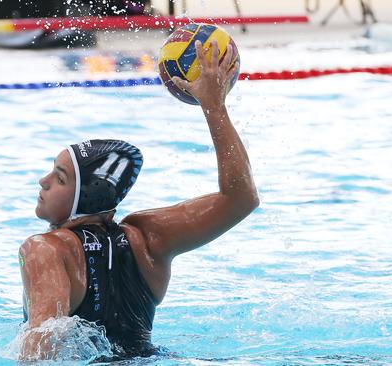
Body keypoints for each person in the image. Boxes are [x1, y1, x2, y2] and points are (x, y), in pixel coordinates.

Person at [18, 39, 259, 360]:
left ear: (85, 196)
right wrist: (214, 107)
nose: (43, 181)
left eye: (60, 178)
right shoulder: (148, 239)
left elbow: (40, 353)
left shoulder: (46, 249)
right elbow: (241, 198)